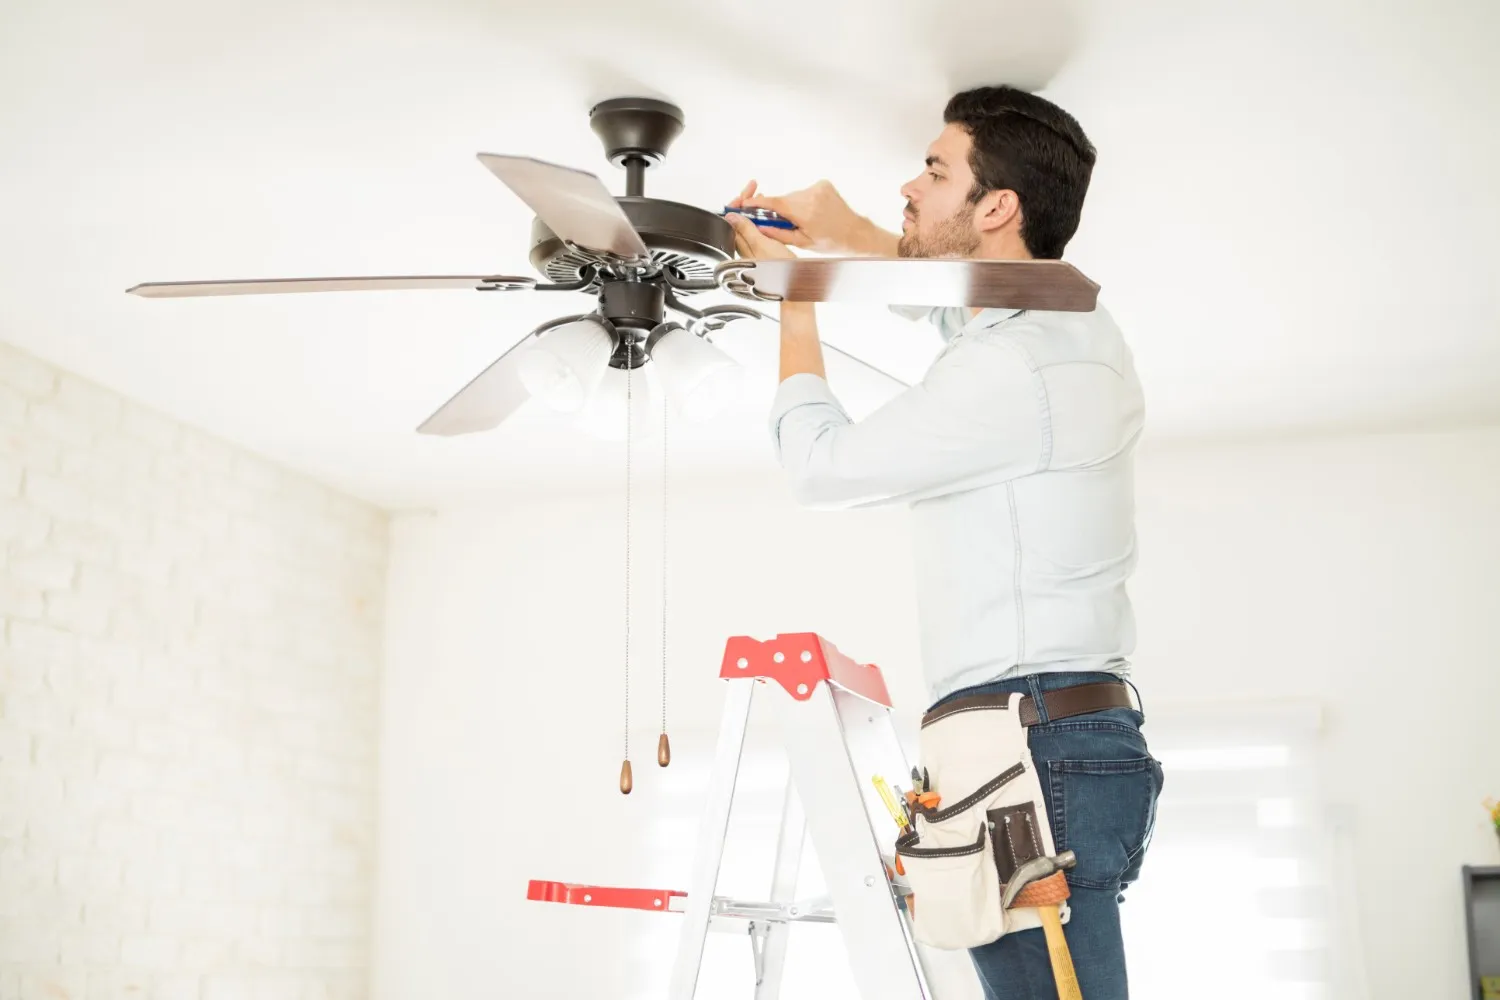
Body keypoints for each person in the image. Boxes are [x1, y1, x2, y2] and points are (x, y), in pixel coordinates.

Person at [723, 84, 1164, 1000]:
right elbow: (944, 292)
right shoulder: (1055, 329)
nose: (910, 186)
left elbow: (823, 467)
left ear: (997, 207)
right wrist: (841, 226)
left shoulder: (1014, 365)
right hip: (1046, 736)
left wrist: (795, 302)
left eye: (934, 170)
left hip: (1027, 748)